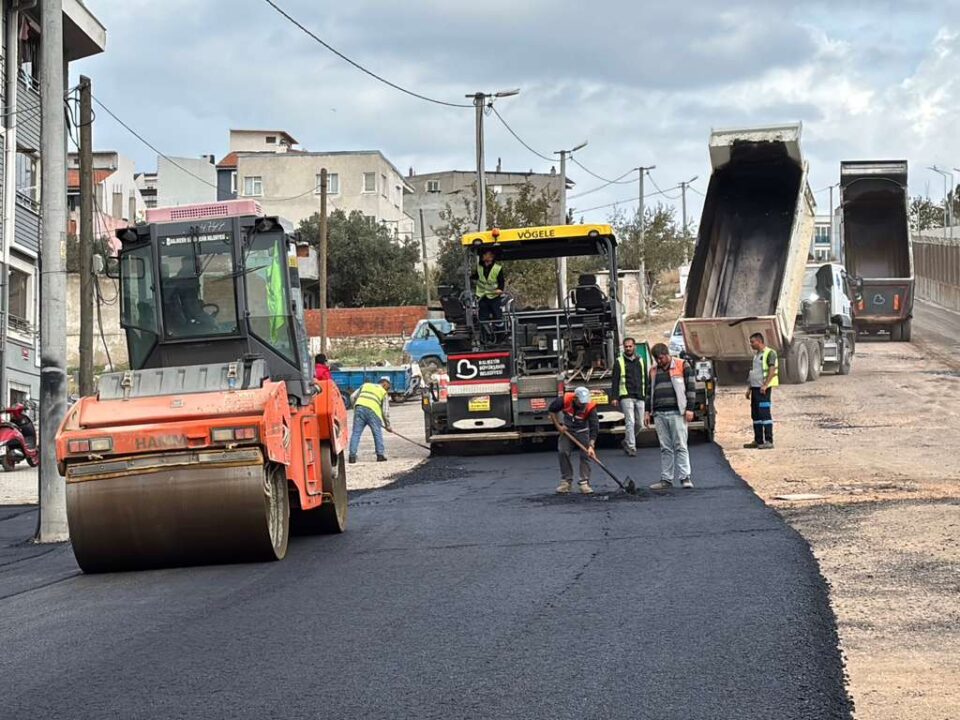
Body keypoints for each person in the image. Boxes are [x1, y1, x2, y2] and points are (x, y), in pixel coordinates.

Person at [645, 343, 696, 490]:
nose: (659, 362)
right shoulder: (653, 371)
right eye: (656, 359)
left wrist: (690, 409)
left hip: (677, 412)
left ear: (667, 354)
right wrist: (647, 411)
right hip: (660, 414)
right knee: (665, 447)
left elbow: (691, 388)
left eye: (661, 358)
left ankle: (685, 477)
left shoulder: (682, 365)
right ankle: (666, 479)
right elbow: (649, 392)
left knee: (680, 445)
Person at [549, 386, 599, 495]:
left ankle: (584, 483)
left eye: (585, 402)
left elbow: (594, 427)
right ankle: (566, 482)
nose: (583, 405)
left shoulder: (590, 407)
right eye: (581, 403)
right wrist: (558, 426)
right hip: (567, 430)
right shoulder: (564, 400)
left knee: (586, 455)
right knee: (563, 452)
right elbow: (552, 411)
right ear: (575, 398)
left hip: (582, 430)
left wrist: (591, 445)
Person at [611, 337, 648, 457]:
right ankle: (632, 447)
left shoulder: (641, 361)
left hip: (640, 395)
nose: (628, 348)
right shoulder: (619, 362)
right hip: (626, 395)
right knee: (630, 421)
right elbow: (615, 381)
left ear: (634, 346)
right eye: (626, 346)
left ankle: (626, 441)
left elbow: (645, 379)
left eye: (630, 346)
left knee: (640, 424)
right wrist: (614, 397)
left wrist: (645, 395)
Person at [744, 332, 779, 449]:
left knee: (764, 414)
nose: (751, 344)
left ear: (759, 341)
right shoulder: (756, 355)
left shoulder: (770, 353)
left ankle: (769, 440)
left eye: (752, 342)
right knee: (756, 415)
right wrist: (749, 389)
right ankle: (758, 440)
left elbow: (772, 370)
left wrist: (765, 385)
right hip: (755, 389)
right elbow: (753, 373)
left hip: (763, 390)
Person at [349, 376, 393, 463]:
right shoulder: (383, 392)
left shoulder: (366, 385)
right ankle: (380, 455)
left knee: (356, 433)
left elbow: (352, 396)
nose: (387, 389)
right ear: (385, 384)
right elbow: (385, 411)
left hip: (359, 409)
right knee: (377, 433)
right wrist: (388, 425)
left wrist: (356, 407)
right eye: (388, 387)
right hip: (373, 412)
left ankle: (352, 457)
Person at [475, 249, 505, 322]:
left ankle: (499, 332)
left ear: (492, 257)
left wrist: (500, 289)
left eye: (486, 254)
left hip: (494, 296)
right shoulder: (479, 267)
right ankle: (485, 332)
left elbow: (501, 281)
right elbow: (476, 276)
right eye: (483, 254)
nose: (483, 256)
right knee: (483, 317)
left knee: (497, 316)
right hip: (482, 296)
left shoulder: (497, 268)